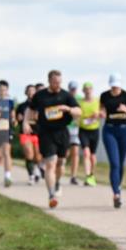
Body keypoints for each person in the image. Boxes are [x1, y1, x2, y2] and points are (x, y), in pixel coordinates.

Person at [27, 70, 80, 208]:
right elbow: (30, 109)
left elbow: (78, 112)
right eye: (55, 82)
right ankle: (51, 195)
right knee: (51, 163)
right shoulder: (40, 95)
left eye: (59, 82)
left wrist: (68, 109)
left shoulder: (65, 95)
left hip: (62, 132)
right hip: (46, 133)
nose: (58, 84)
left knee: (61, 163)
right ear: (49, 81)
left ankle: (57, 182)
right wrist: (26, 122)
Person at [100, 74, 126, 208]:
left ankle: (118, 186)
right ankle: (116, 194)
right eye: (113, 85)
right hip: (109, 131)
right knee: (114, 163)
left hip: (125, 130)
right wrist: (101, 113)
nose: (115, 88)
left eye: (117, 85)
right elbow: (102, 109)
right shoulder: (104, 96)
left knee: (120, 163)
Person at [16, 84, 42, 184]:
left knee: (38, 156)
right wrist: (21, 119)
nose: (31, 92)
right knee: (29, 154)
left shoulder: (40, 105)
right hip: (25, 134)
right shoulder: (22, 106)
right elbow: (19, 119)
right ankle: (31, 176)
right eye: (29, 91)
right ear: (26, 93)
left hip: (38, 133)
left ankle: (37, 170)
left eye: (33, 91)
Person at [66, 80, 82, 185]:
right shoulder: (65, 98)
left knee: (75, 152)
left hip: (76, 129)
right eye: (72, 89)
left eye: (75, 89)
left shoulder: (80, 99)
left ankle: (73, 176)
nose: (73, 91)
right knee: (64, 153)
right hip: (65, 128)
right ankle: (58, 170)